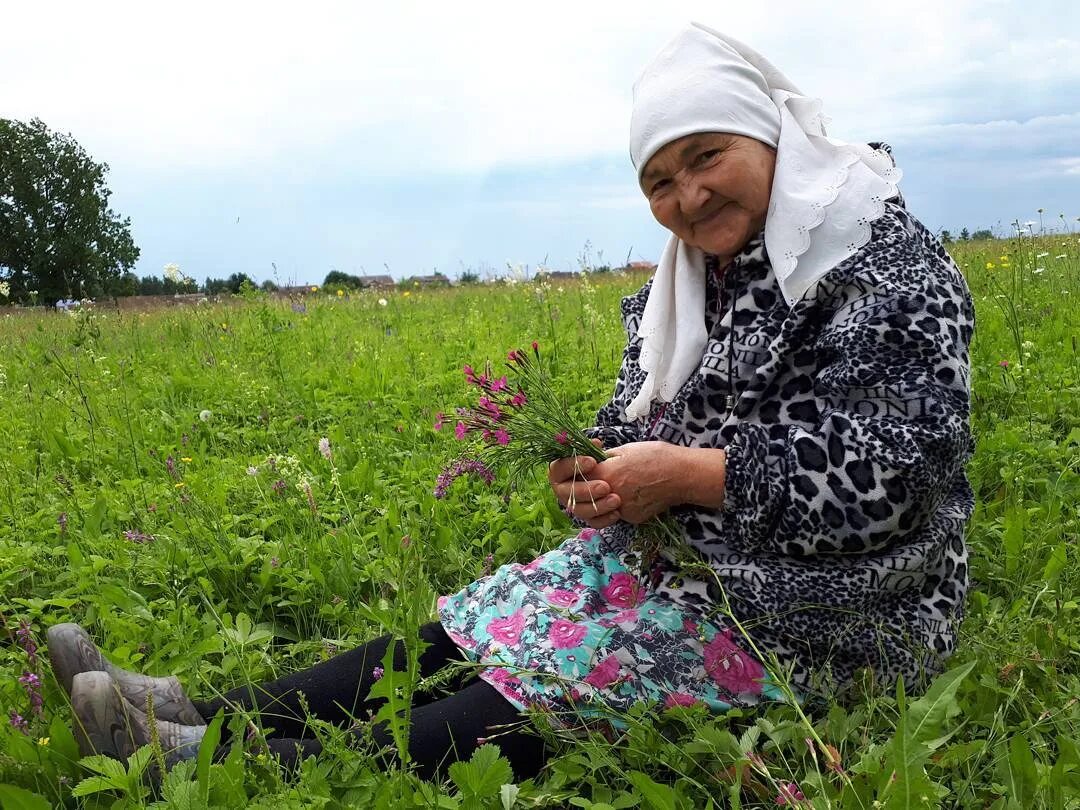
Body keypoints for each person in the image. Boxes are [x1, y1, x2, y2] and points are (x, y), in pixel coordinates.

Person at [51, 22, 973, 781]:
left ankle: (225, 766)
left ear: (770, 136)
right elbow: (631, 423)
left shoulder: (880, 265)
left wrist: (691, 476)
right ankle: (199, 715)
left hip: (837, 608)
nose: (687, 196)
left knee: (576, 669)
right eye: (658, 180)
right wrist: (601, 477)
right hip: (692, 559)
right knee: (485, 619)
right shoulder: (692, 283)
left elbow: (899, 475)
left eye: (708, 157)